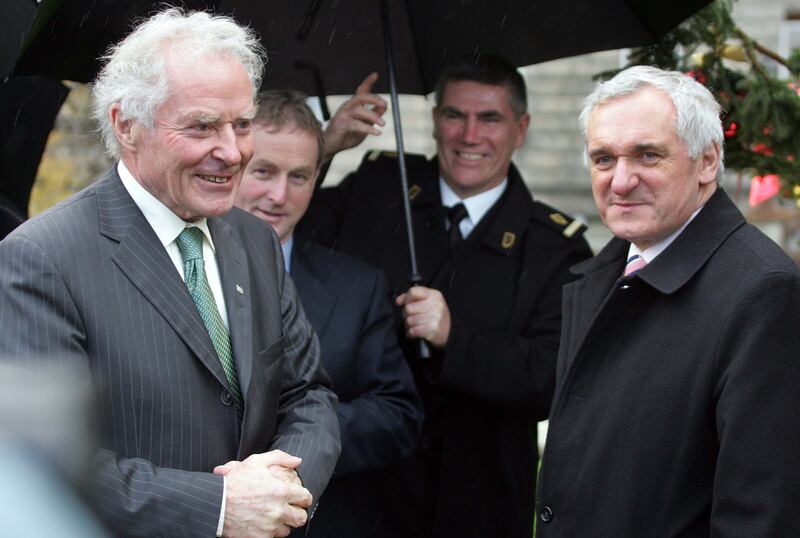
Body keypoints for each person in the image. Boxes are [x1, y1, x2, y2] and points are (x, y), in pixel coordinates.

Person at [0, 9, 340, 537]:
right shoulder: (42, 258)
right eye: (202, 126)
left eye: (242, 124)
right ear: (126, 125)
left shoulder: (253, 240)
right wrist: (218, 506)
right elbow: (49, 463)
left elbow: (309, 398)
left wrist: (281, 491)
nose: (233, 152)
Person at [299, 55, 593, 538]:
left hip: (476, 501)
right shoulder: (377, 189)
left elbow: (553, 378)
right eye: (454, 115)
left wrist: (456, 338)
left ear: (521, 129)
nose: (469, 135)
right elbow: (283, 230)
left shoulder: (555, 248)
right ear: (436, 121)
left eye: (490, 118)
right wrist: (324, 147)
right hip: (362, 496)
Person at [535, 65, 800, 536]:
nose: (619, 181)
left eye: (647, 155)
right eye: (603, 159)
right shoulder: (606, 271)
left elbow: (761, 515)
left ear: (707, 161)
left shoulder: (763, 292)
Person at [234, 89, 423, 537]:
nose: (278, 195)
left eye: (299, 176)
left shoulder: (358, 285)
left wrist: (298, 442)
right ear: (231, 164)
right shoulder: (175, 269)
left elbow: (397, 415)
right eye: (263, 171)